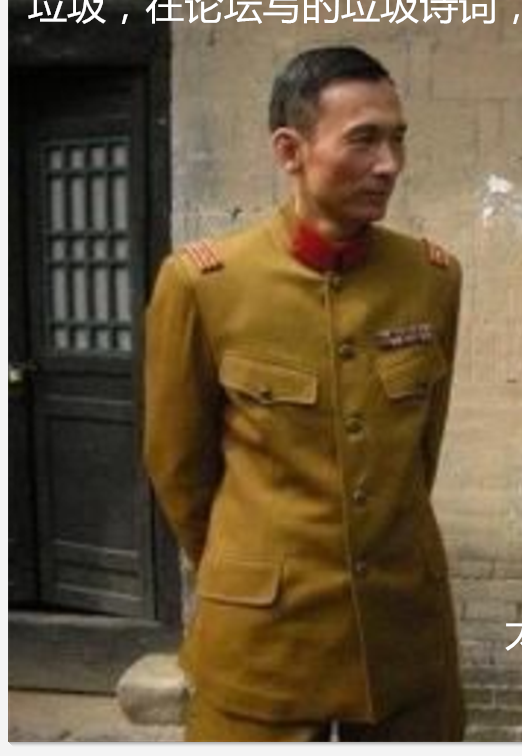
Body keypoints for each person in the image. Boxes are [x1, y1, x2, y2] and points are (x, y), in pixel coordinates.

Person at [144, 46, 464, 741]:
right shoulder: (205, 285)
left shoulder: (431, 279)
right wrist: (250, 566)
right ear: (290, 151)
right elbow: (178, 469)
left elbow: (418, 455)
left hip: (401, 637)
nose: (389, 164)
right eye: (364, 140)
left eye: (398, 139)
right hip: (264, 645)